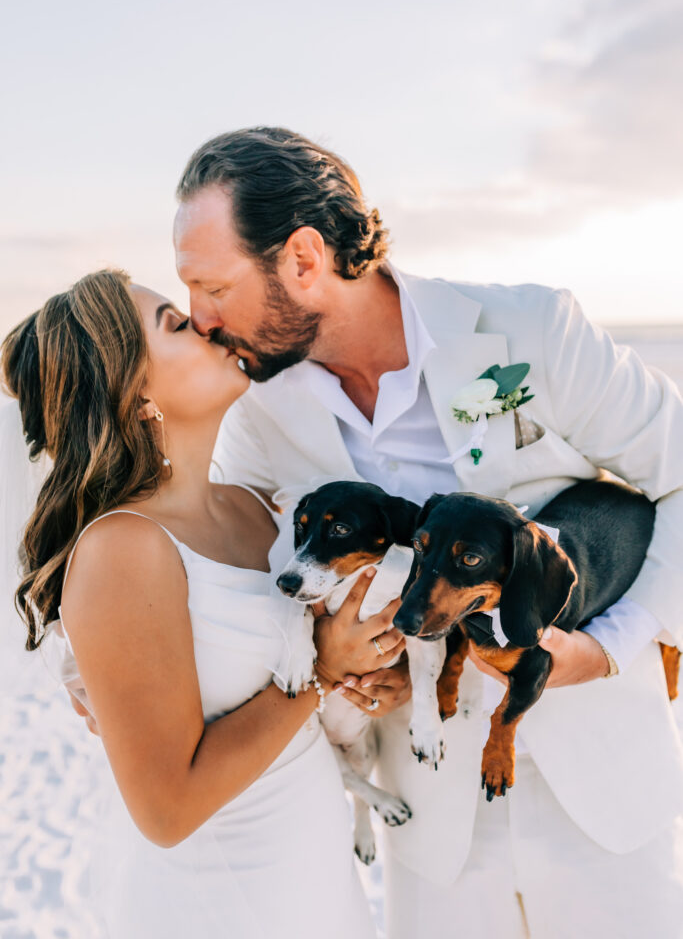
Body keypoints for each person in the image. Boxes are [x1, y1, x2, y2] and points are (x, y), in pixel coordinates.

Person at [173, 126, 683, 938]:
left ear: (304, 258)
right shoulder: (261, 419)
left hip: (606, 795)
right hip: (427, 821)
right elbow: (226, 574)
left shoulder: (532, 331)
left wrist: (616, 643)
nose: (198, 318)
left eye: (211, 286)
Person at [1, 268, 405, 939]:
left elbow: (295, 687)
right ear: (135, 395)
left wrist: (365, 682)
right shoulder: (122, 549)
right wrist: (322, 678)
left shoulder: (254, 509)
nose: (208, 324)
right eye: (176, 325)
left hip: (314, 878)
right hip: (221, 906)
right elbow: (166, 809)